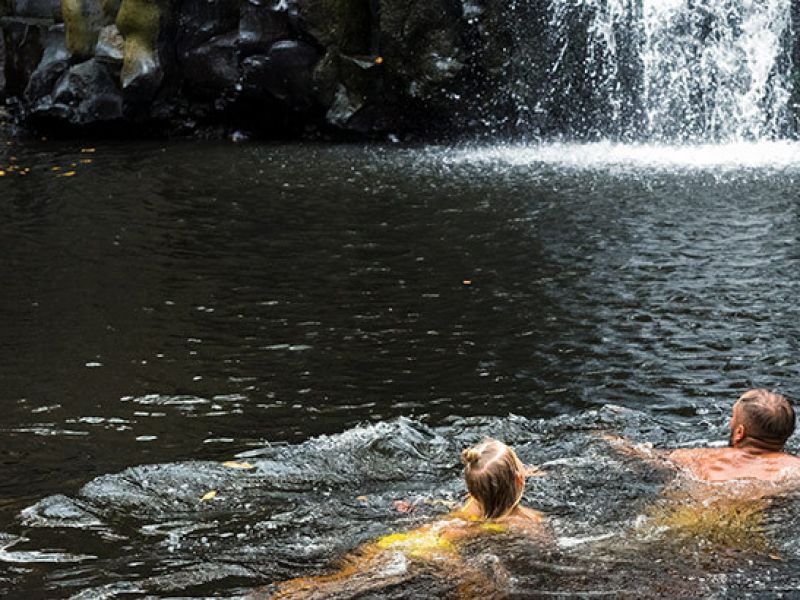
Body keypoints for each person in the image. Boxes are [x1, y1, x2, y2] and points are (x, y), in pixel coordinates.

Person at [266, 438, 548, 598]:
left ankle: (278, 594)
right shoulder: (525, 522)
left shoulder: (471, 501)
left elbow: (492, 482)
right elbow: (543, 550)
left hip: (404, 540)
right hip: (436, 552)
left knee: (340, 581)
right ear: (519, 479)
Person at [606, 389, 800, 483]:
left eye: (732, 417)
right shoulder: (794, 469)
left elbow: (641, 456)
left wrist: (609, 439)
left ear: (740, 432)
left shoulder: (700, 458)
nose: (730, 422)